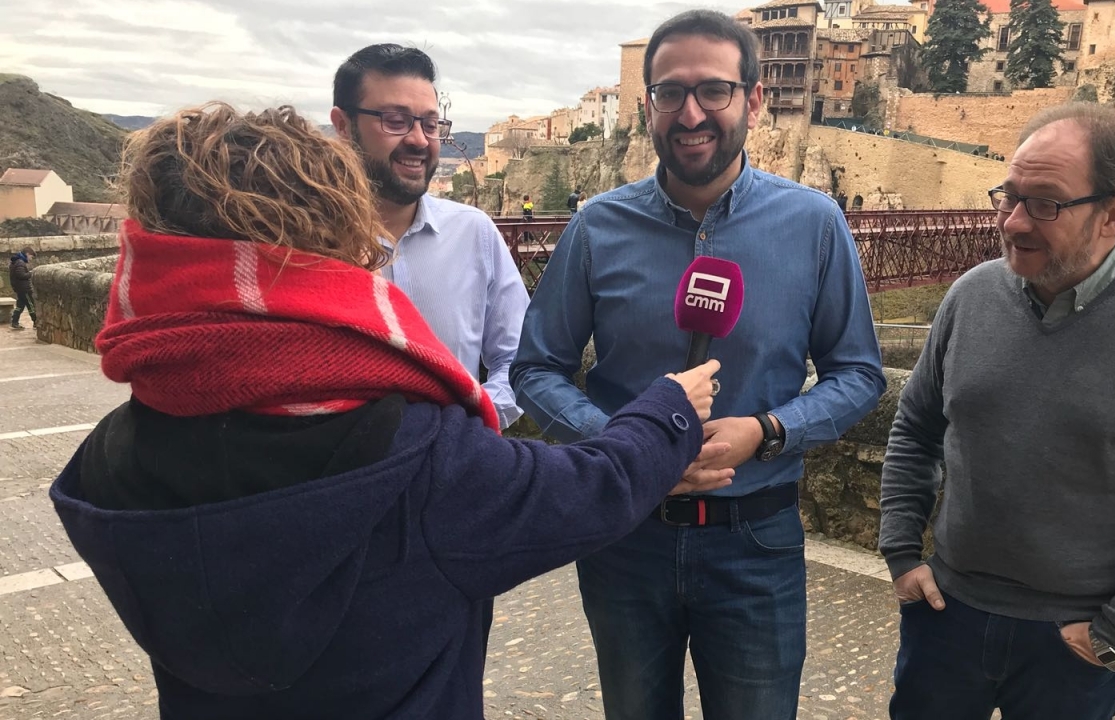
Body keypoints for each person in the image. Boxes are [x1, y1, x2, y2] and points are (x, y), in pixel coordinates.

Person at [48, 103, 735, 720]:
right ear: (331, 237)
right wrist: (668, 409)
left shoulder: (114, 456)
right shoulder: (416, 458)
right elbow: (590, 490)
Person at [511, 10, 886, 720]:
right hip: (626, 537)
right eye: (668, 93)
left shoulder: (814, 224)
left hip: (757, 542)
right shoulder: (596, 226)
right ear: (647, 105)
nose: (690, 113)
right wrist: (630, 442)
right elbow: (536, 369)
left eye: (713, 91)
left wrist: (769, 430)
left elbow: (860, 373)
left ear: (753, 98)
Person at [878, 102, 1115, 720]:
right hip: (947, 615)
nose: (1013, 223)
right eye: (1008, 196)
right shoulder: (971, 295)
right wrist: (900, 552)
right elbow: (917, 427)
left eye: (1045, 204)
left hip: (1077, 640)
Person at [330, 44, 528, 430]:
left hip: (455, 474)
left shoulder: (474, 233)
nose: (420, 140)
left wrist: (474, 424)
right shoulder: (303, 242)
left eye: (430, 124)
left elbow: (520, 359)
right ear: (342, 125)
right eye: (395, 120)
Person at [8, 246, 36, 330]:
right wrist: (31, 273)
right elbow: (21, 275)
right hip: (24, 289)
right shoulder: (20, 263)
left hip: (19, 288)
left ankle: (14, 322)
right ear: (27, 254)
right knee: (31, 306)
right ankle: (36, 322)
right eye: (31, 257)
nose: (31, 259)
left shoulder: (16, 262)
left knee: (20, 306)